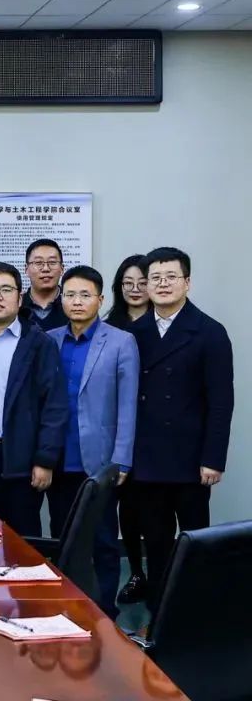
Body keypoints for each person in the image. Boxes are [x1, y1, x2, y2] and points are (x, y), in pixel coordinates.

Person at [129, 247, 233, 609]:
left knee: (194, 539)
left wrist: (213, 458)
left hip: (191, 459)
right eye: (155, 278)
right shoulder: (135, 332)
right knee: (155, 541)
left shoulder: (209, 332)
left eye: (171, 277)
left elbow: (221, 402)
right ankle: (158, 612)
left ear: (187, 283)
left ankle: (194, 611)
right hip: (147, 457)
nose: (163, 284)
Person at [46, 265, 139, 619]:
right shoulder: (49, 340)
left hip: (100, 462)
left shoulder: (121, 342)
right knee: (63, 540)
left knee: (103, 542)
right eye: (70, 294)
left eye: (85, 295)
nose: (77, 301)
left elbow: (127, 406)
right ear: (61, 299)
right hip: (58, 459)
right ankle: (66, 611)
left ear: (100, 299)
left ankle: (105, 614)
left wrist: (122, 460)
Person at [0, 261, 67, 537]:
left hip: (20, 459)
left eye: (6, 290)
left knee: (21, 540)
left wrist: (45, 460)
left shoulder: (39, 343)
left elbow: (54, 406)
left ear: (19, 298)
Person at [106, 254, 152, 605]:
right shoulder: (111, 326)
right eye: (127, 283)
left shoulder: (160, 324)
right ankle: (136, 574)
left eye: (142, 283)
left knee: (155, 510)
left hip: (152, 431)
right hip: (118, 433)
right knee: (127, 510)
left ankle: (162, 577)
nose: (135, 289)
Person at [23, 239, 68, 331]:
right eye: (38, 263)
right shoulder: (16, 305)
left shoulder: (73, 304)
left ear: (62, 269)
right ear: (26, 269)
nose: (46, 269)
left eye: (52, 262)